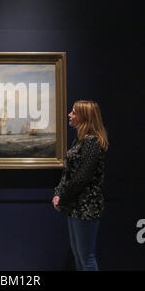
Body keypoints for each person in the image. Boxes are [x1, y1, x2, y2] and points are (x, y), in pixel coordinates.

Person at [52, 100, 108, 271]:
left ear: (85, 116)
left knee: (86, 257)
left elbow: (82, 178)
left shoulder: (92, 142)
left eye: (74, 112)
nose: (70, 115)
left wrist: (62, 198)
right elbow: (68, 174)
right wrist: (58, 193)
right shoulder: (79, 141)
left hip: (86, 207)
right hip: (74, 206)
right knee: (78, 254)